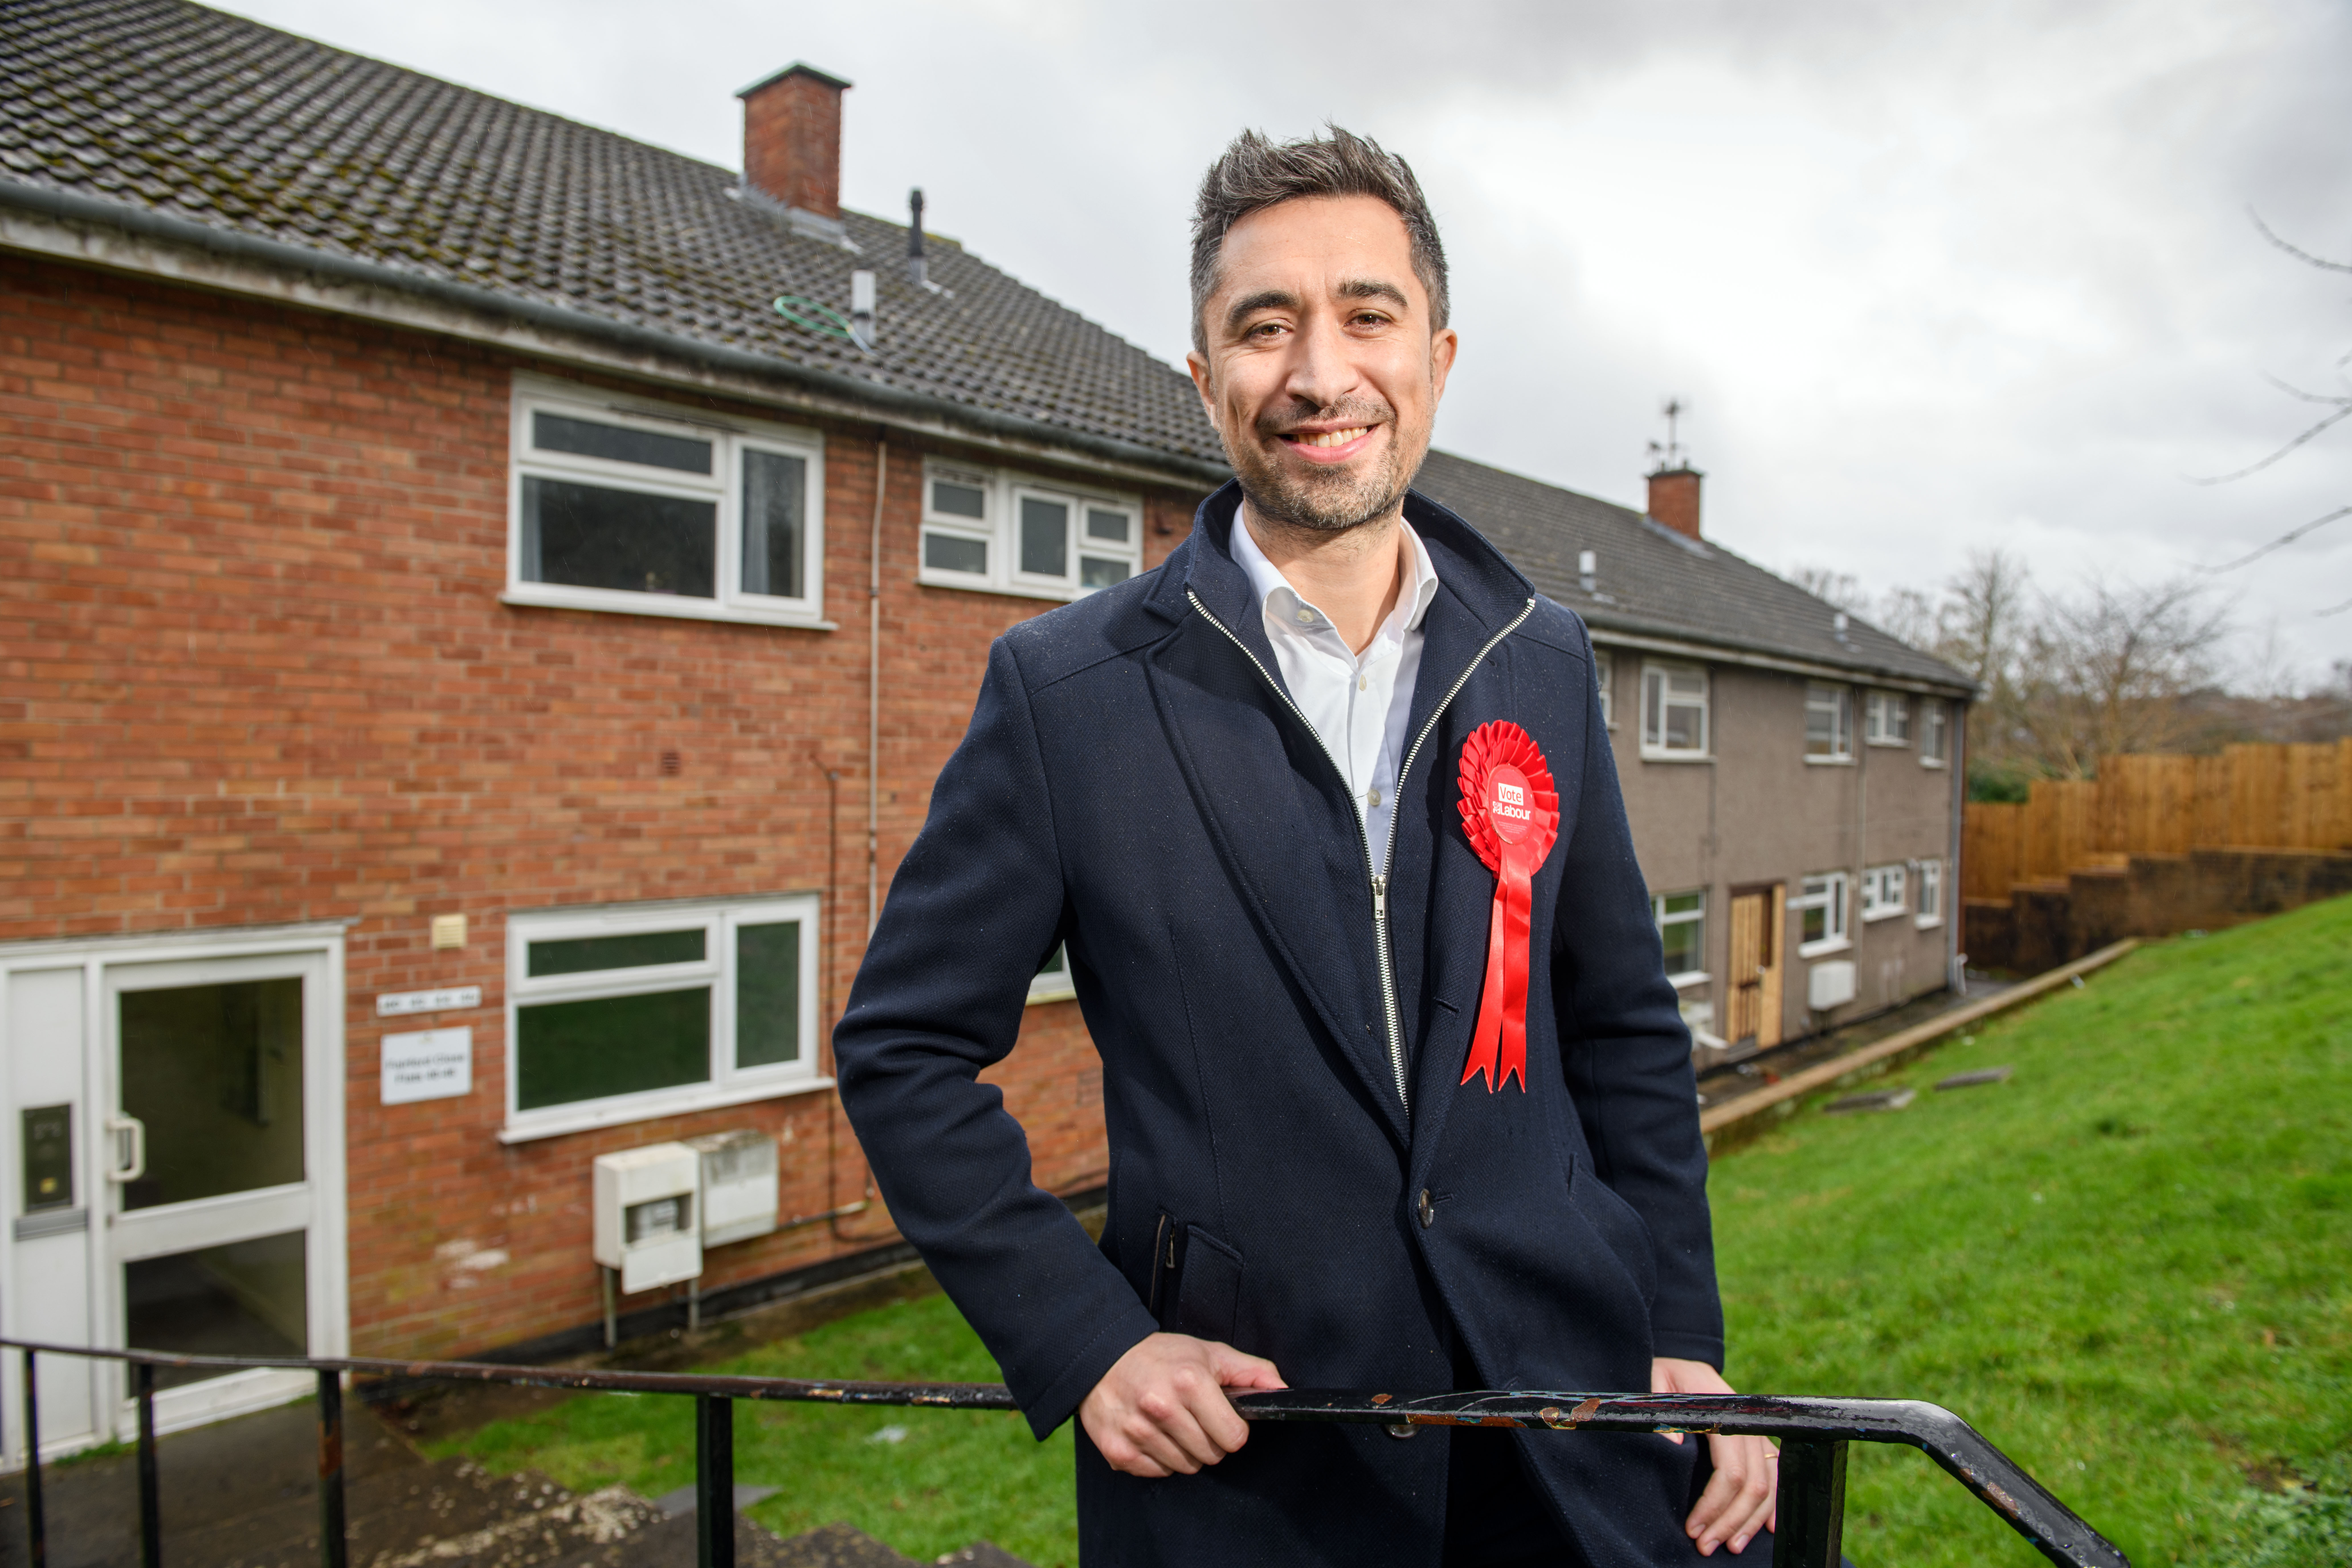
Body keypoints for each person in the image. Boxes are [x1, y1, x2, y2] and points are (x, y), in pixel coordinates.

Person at [835, 127, 1780, 1566]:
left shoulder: (1542, 656)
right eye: (1263, 327)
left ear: (1439, 360)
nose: (1320, 373)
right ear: (1204, 375)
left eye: (1366, 314)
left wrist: (1683, 1334)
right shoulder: (1064, 692)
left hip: (1570, 1432)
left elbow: (1624, 1026)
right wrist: (1088, 1338)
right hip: (1262, 1463)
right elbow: (904, 1048)